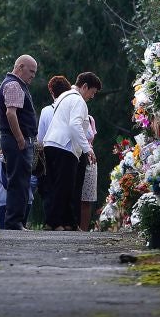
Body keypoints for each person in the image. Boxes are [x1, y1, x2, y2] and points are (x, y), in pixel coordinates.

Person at [41, 72, 102, 231]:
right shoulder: (78, 100)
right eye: (92, 92)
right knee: (64, 187)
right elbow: (75, 125)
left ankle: (69, 222)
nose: (92, 96)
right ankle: (54, 223)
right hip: (65, 147)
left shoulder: (64, 97)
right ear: (85, 86)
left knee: (59, 186)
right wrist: (87, 149)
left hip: (52, 143)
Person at [0, 55, 39, 230]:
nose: (33, 76)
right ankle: (14, 222)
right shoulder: (14, 84)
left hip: (13, 139)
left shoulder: (14, 84)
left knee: (21, 180)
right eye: (31, 71)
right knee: (19, 181)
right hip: (16, 140)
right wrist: (20, 138)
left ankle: (16, 222)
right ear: (20, 67)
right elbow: (11, 113)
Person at [36, 75, 72, 226]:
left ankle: (51, 221)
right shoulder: (71, 108)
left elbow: (40, 137)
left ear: (52, 92)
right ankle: (66, 221)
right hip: (68, 151)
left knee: (49, 187)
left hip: (49, 151)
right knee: (65, 186)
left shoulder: (46, 111)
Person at [0, 151, 37, 229]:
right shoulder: (25, 158)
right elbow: (33, 179)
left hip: (3, 202)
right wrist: (29, 191)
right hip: (24, 200)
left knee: (5, 232)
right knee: (22, 232)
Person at [78, 115, 98, 231]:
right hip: (75, 156)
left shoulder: (90, 119)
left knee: (87, 198)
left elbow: (91, 140)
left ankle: (84, 230)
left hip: (89, 159)